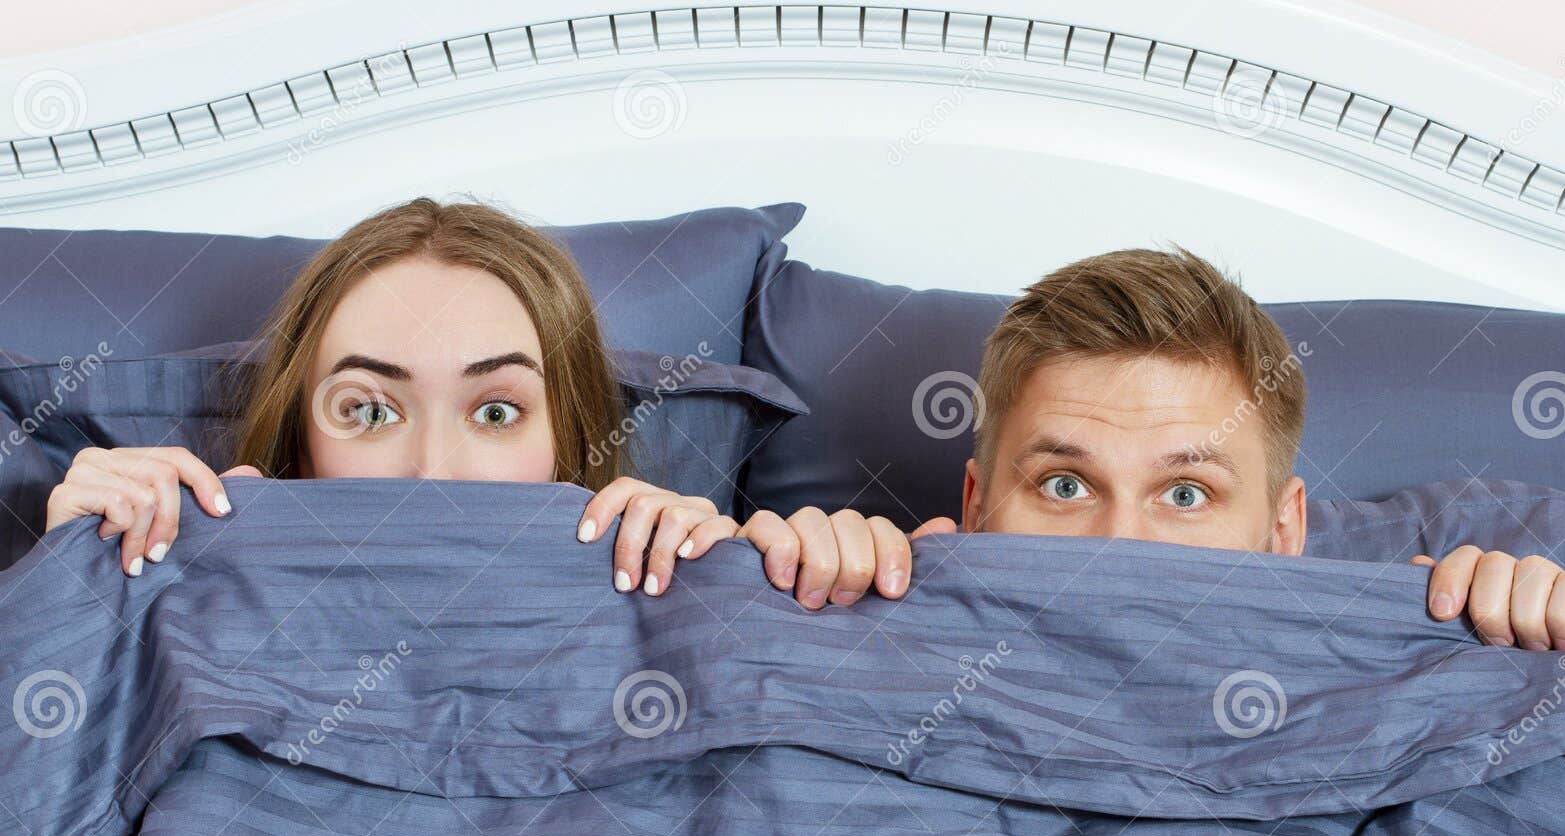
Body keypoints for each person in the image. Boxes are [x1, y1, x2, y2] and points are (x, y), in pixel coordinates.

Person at [43, 197, 913, 608]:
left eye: (495, 412)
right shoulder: (172, 574)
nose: (431, 471)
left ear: (567, 446)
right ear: (298, 445)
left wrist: (766, 586)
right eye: (366, 410)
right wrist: (70, 581)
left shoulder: (678, 574)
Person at [777, 248, 1565, 650]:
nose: (1117, 549)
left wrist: (1550, 635)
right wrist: (758, 576)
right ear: (973, 505)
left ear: (1285, 530)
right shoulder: (864, 617)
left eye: (1184, 494)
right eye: (1064, 485)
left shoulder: (1419, 638)